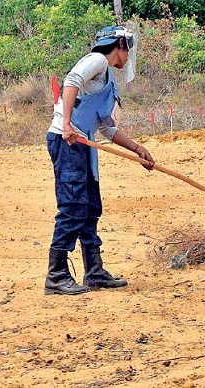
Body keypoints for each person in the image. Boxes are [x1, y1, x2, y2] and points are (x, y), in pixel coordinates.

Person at [45, 24, 155, 295]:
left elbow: (107, 128)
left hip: (84, 143)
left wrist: (137, 149)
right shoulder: (97, 60)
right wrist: (67, 124)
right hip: (68, 141)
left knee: (90, 207)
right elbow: (71, 81)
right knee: (73, 205)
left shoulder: (107, 79)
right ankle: (56, 275)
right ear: (120, 45)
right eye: (127, 49)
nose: (128, 56)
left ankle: (94, 271)